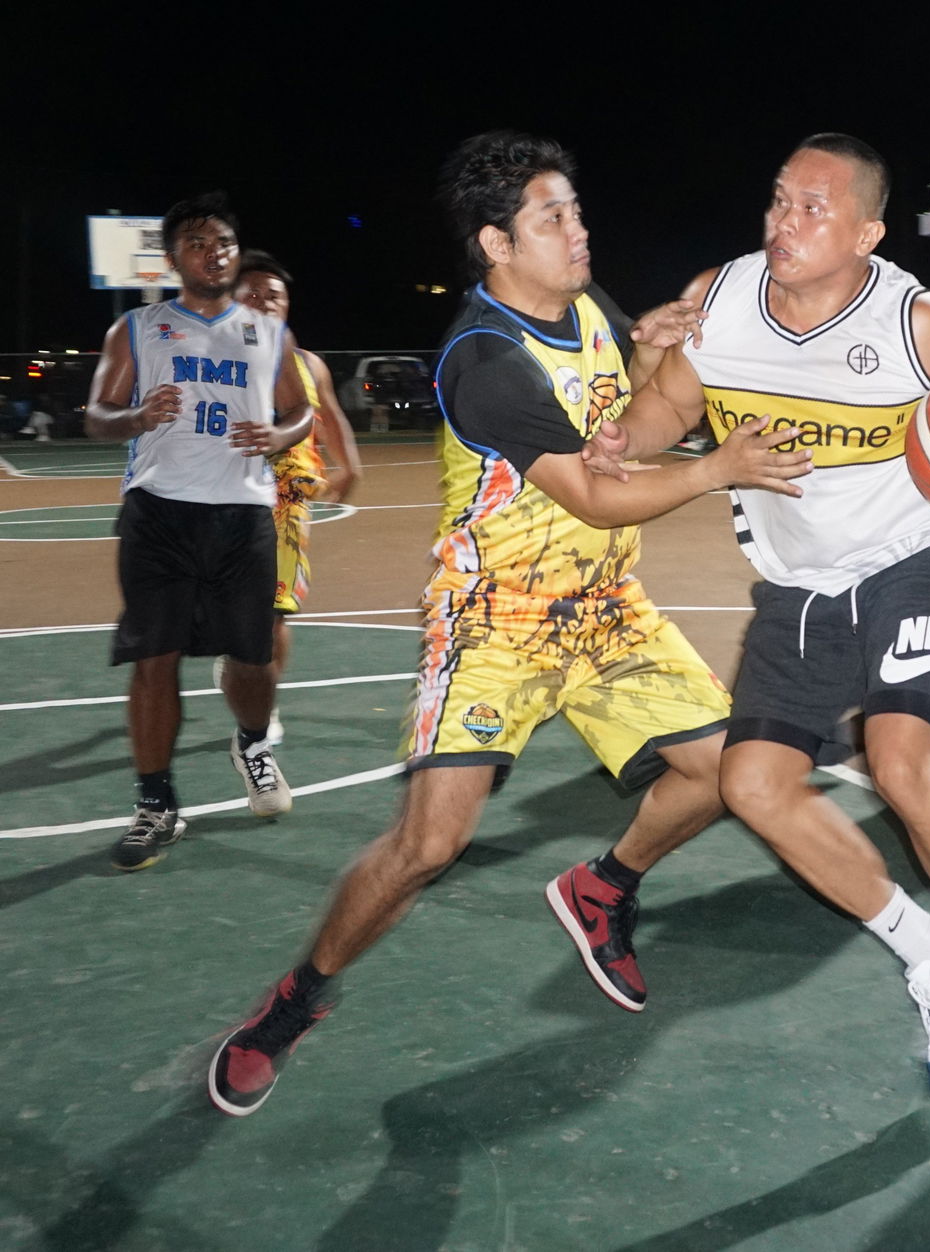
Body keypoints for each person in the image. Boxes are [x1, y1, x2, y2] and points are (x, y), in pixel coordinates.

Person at [206, 131, 812, 1118]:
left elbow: (627, 391)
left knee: (733, 770)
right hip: (497, 619)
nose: (578, 228)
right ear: (496, 243)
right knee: (427, 845)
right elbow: (593, 493)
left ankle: (603, 885)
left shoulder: (585, 303)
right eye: (552, 217)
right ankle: (294, 999)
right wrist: (718, 466)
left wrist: (661, 332)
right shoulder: (483, 357)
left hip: (607, 610)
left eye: (574, 209)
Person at [591, 133, 930, 1127]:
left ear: (867, 232)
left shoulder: (915, 322)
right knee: (751, 784)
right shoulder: (724, 297)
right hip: (797, 579)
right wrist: (626, 436)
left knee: (900, 761)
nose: (783, 222)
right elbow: (663, 405)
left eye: (811, 209)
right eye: (778, 200)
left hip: (911, 557)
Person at [85, 193, 312, 870]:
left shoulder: (269, 332)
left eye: (223, 243)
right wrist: (134, 417)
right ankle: (155, 805)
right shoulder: (138, 328)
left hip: (243, 513)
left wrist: (276, 432)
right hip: (159, 511)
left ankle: (251, 742)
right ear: (172, 257)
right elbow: (97, 412)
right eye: (197, 243)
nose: (213, 253)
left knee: (252, 657)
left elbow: (302, 414)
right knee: (153, 659)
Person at [224, 251, 364, 744]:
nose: (262, 303)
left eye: (273, 296)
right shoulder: (212, 359)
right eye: (252, 294)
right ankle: (237, 656)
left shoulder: (307, 364)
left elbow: (331, 415)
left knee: (274, 611)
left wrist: (349, 463)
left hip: (285, 505)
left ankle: (264, 708)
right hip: (219, 502)